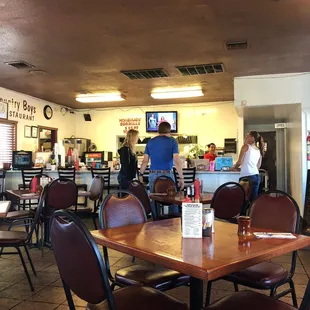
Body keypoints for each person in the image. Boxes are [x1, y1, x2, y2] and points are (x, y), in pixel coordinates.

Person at [139, 122, 184, 214]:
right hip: (168, 174)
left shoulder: (150, 142)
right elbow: (177, 161)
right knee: (172, 199)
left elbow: (145, 161)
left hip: (153, 174)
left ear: (158, 130)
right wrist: (181, 178)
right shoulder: (172, 142)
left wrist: (140, 174)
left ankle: (155, 221)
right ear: (169, 130)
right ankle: (173, 221)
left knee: (154, 199)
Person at [231, 131, 264, 201]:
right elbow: (258, 165)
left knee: (243, 201)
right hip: (256, 176)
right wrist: (243, 168)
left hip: (246, 178)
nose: (246, 137)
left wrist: (233, 168)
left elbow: (239, 162)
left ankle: (244, 212)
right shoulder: (258, 150)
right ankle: (252, 212)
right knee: (253, 201)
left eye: (247, 136)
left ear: (252, 138)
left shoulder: (245, 146)